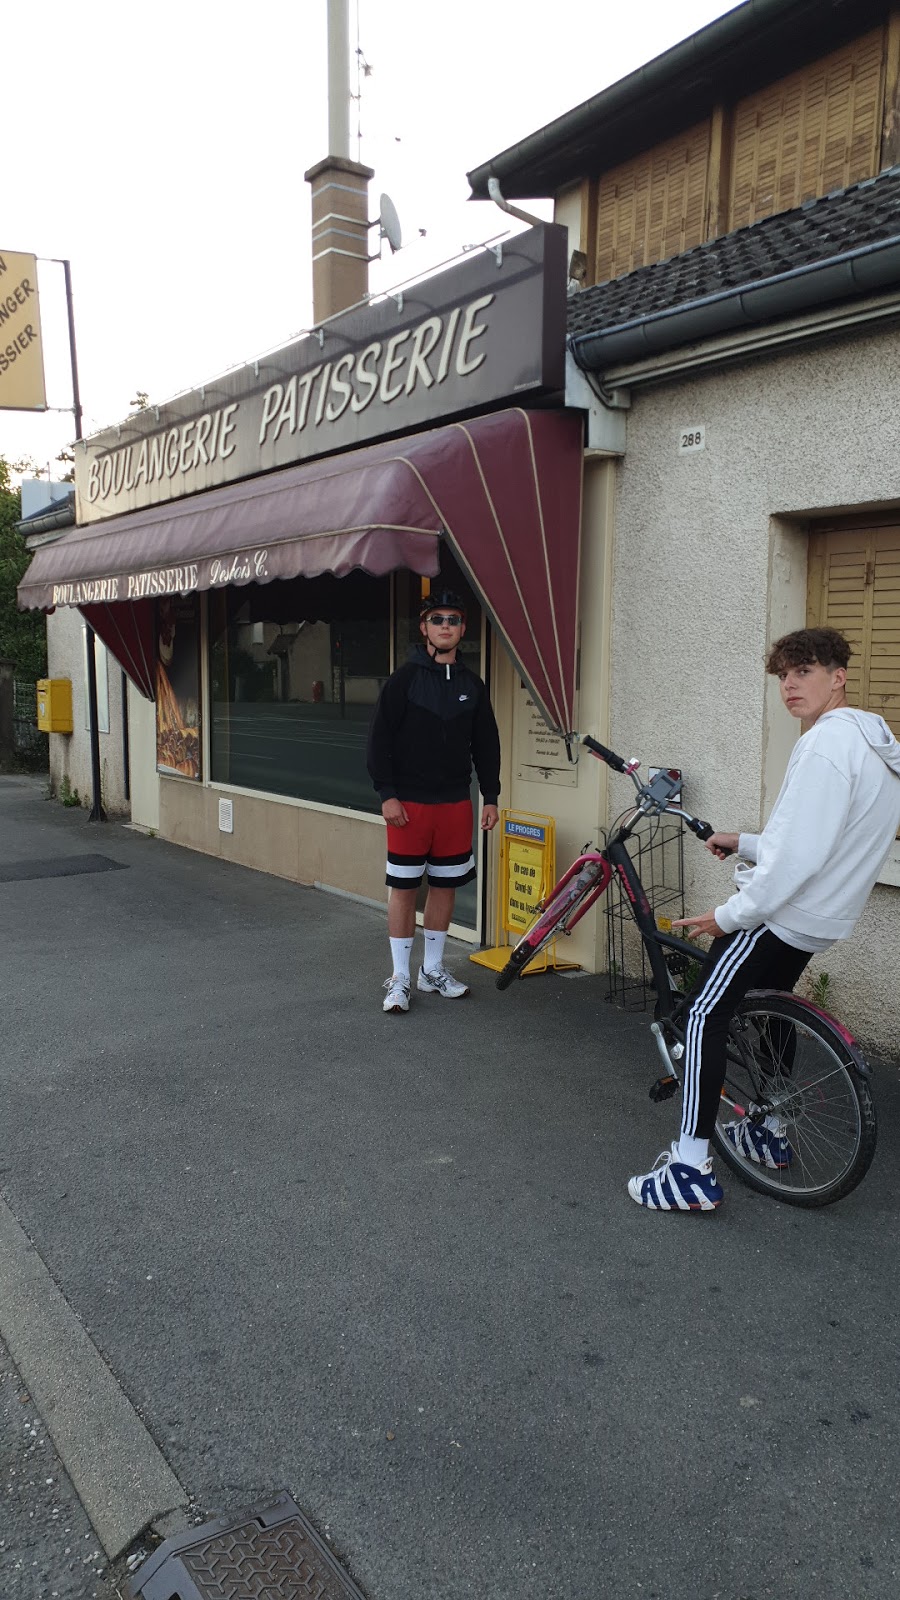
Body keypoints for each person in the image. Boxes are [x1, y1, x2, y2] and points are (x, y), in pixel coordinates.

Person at [628, 626, 900, 1212]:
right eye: (783, 674)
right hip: (821, 916)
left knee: (703, 1017)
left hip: (781, 914)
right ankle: (767, 1131)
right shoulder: (873, 743)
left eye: (804, 671)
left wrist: (728, 916)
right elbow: (818, 840)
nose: (790, 685)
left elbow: (798, 858)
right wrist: (747, 842)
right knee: (771, 1001)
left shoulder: (826, 745)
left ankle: (689, 1168)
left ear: (839, 676)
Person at [367, 589, 501, 1013]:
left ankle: (432, 970)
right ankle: (400, 977)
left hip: (455, 804)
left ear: (463, 630)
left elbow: (487, 746)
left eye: (454, 620)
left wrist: (491, 796)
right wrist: (387, 794)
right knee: (405, 889)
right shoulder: (404, 680)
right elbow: (379, 743)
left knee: (445, 886)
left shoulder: (472, 684)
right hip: (408, 805)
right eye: (438, 619)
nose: (446, 626)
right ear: (424, 627)